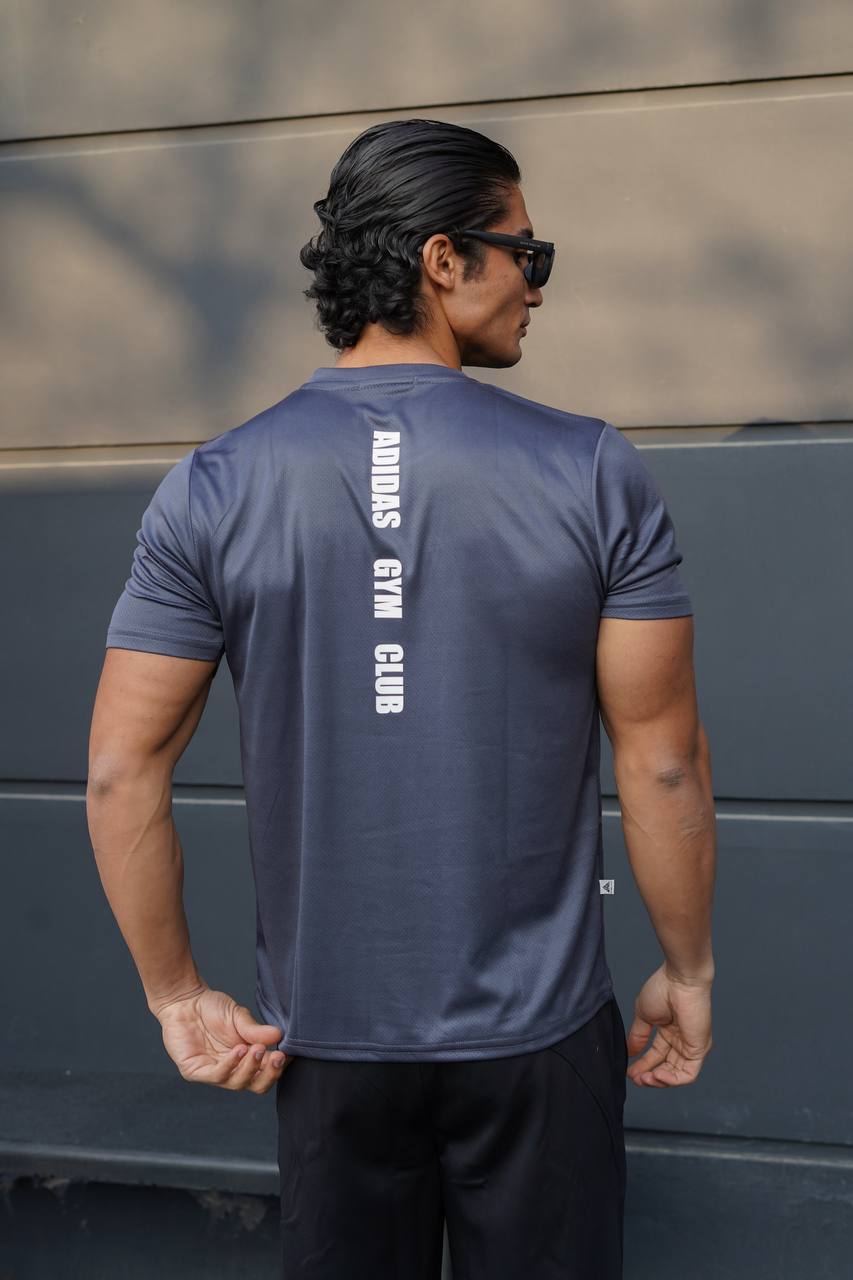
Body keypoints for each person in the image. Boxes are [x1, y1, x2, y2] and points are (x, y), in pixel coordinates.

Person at [87, 117, 716, 1278]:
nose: (537, 283)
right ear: (442, 258)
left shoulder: (214, 485)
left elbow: (122, 770)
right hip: (537, 1039)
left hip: (325, 1039)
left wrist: (175, 996)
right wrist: (686, 970)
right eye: (525, 252)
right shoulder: (590, 468)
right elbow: (663, 760)